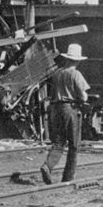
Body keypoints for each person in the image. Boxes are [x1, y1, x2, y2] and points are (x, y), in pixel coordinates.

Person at [40, 43, 90, 184]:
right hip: (71, 110)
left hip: (55, 109)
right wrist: (84, 98)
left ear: (67, 58)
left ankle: (47, 166)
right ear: (78, 60)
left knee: (58, 142)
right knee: (74, 145)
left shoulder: (57, 73)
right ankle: (67, 178)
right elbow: (82, 95)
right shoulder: (76, 74)